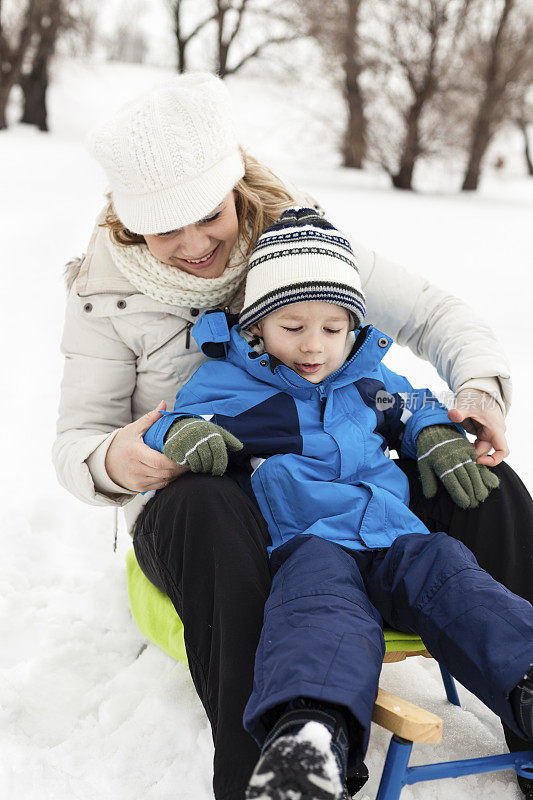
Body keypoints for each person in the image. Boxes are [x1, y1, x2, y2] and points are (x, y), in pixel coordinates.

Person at [52, 73, 533, 800]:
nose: (191, 245)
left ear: (236, 188)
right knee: (214, 512)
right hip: (216, 506)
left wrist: (467, 404)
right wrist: (127, 456)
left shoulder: (303, 251)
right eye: (162, 227)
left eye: (207, 215)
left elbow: (435, 318)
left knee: (483, 482)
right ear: (127, 222)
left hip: (357, 495)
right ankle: (274, 770)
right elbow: (76, 439)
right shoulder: (105, 293)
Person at [142, 207, 533, 800]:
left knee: (454, 576)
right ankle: (309, 739)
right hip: (308, 544)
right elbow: (171, 422)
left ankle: (526, 681)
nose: (315, 346)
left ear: (353, 326)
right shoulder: (232, 386)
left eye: (333, 327)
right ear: (257, 326)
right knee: (320, 615)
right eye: (292, 326)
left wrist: (432, 431)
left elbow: (418, 406)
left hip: (397, 539)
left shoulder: (371, 380)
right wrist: (180, 435)